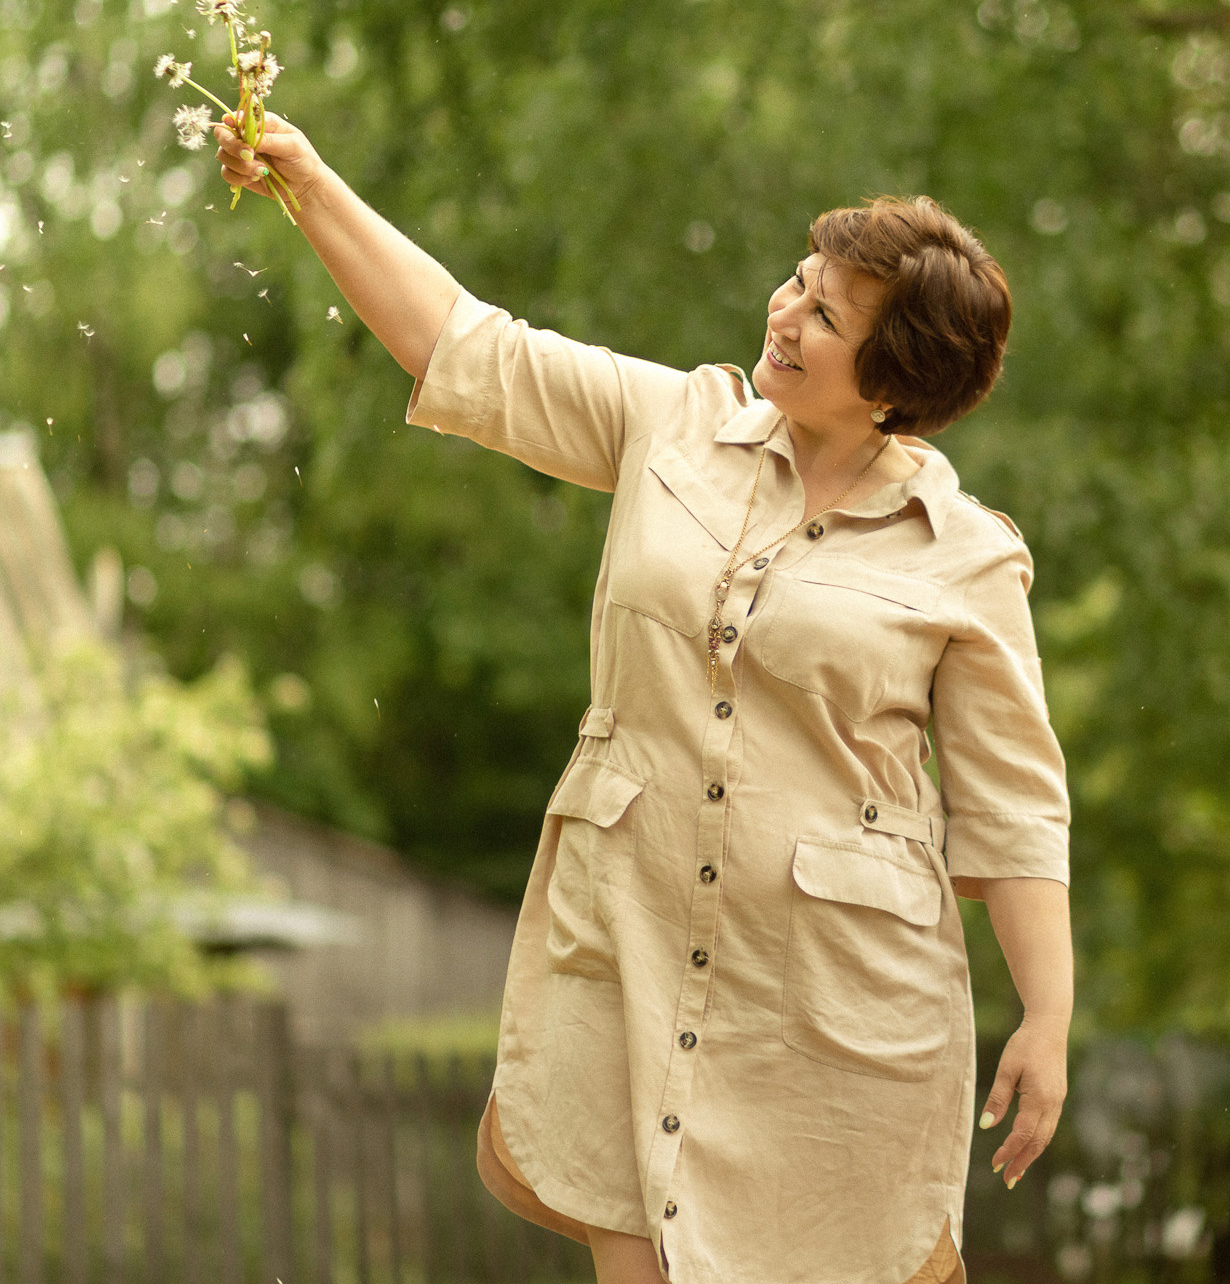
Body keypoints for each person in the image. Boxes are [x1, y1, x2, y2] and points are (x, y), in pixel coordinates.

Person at [216, 111, 1072, 1284]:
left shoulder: (963, 556)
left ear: (898, 381)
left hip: (836, 1009)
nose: (786, 309)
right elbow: (469, 349)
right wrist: (306, 184)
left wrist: (1048, 1013)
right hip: (633, 946)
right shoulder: (672, 424)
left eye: (827, 314)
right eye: (799, 280)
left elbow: (1015, 807)